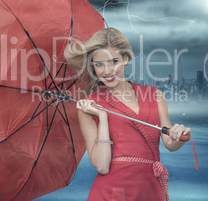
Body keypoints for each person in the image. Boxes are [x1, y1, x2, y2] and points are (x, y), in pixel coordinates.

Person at [64, 27, 192, 201]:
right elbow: (102, 166)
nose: (107, 71)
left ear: (126, 59)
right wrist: (102, 117)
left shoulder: (155, 95)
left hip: (150, 190)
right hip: (110, 193)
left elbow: (170, 143)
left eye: (113, 61)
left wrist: (180, 136)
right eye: (99, 64)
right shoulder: (89, 106)